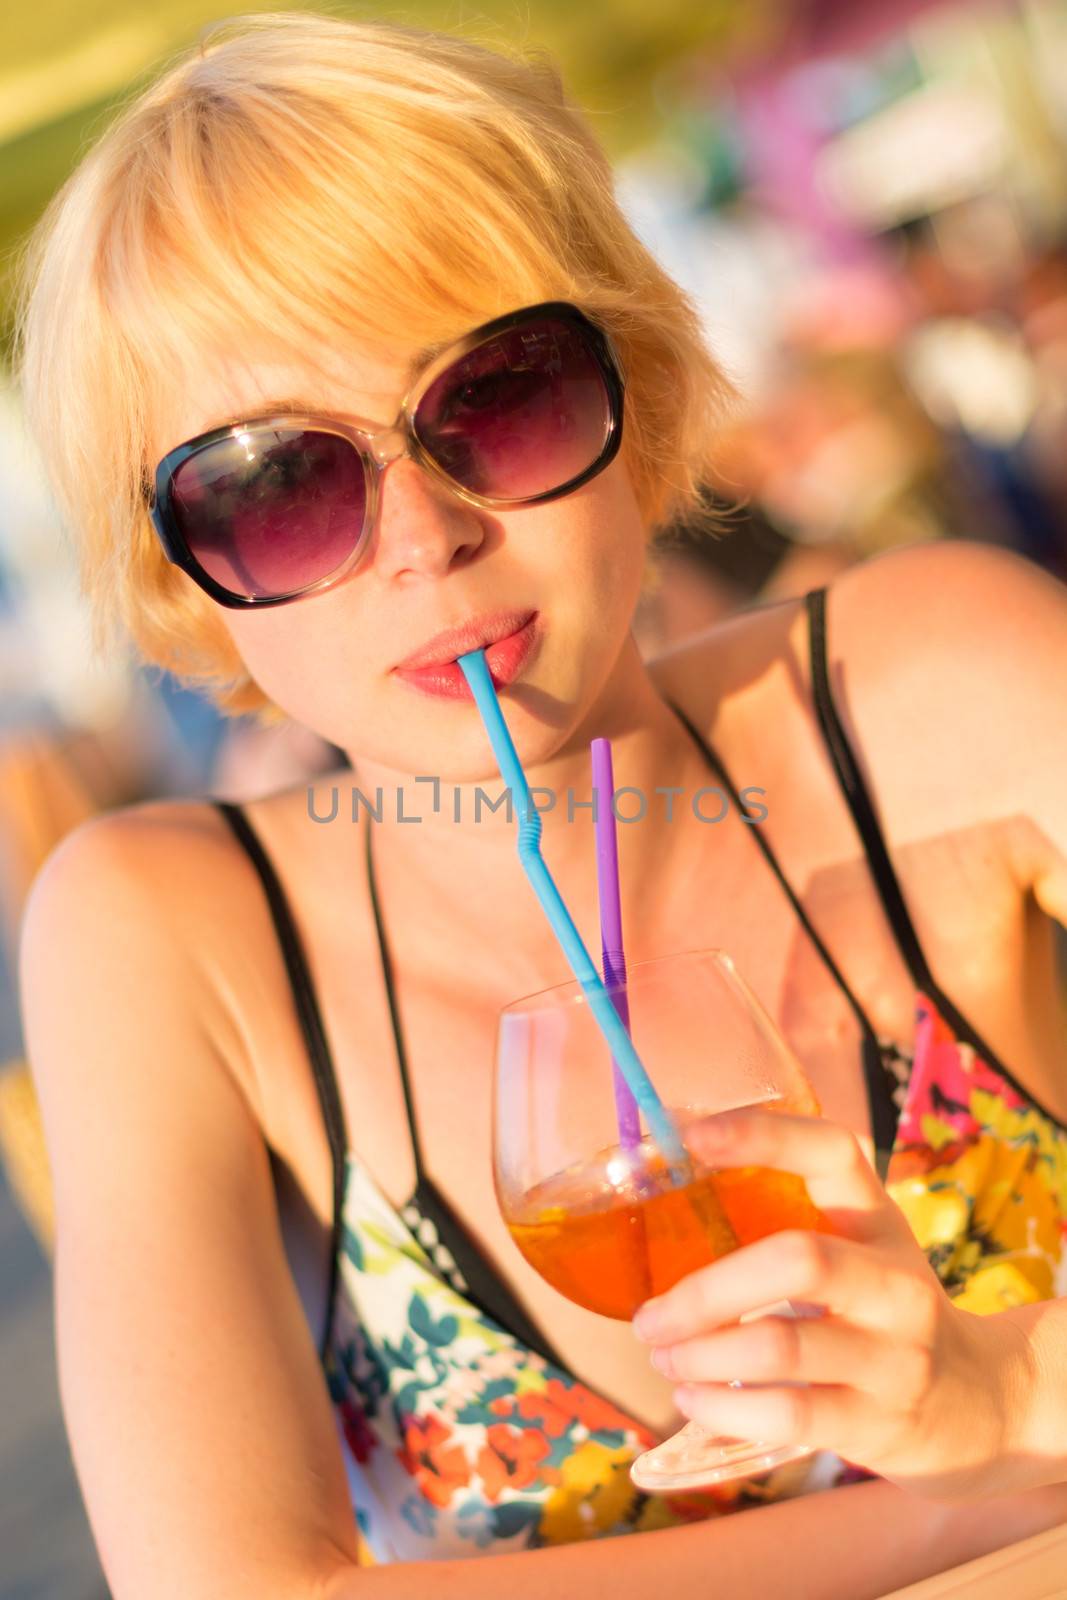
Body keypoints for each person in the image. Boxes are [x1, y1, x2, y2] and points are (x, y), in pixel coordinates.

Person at [13, 14, 1067, 1599]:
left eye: (496, 401)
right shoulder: (170, 935)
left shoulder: (936, 685)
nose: (425, 538)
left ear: (635, 381)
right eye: (280, 487)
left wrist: (990, 1397)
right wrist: (985, 1477)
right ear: (187, 576)